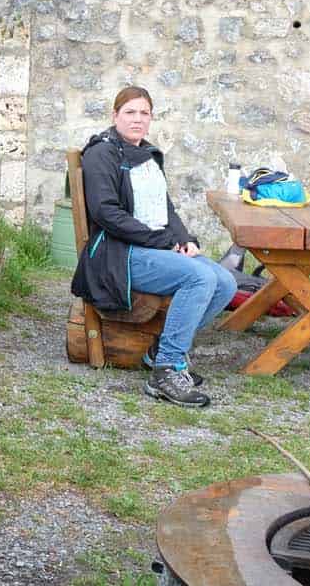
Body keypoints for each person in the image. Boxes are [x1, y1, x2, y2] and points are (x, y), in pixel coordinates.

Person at [71, 86, 236, 407]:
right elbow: (107, 213)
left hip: (151, 247)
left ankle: (160, 351)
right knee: (199, 277)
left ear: (151, 118)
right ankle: (166, 371)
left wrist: (184, 239)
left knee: (226, 283)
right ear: (115, 116)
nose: (137, 119)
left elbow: (166, 209)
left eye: (143, 113)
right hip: (117, 255)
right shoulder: (101, 154)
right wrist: (165, 242)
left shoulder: (145, 154)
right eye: (129, 112)